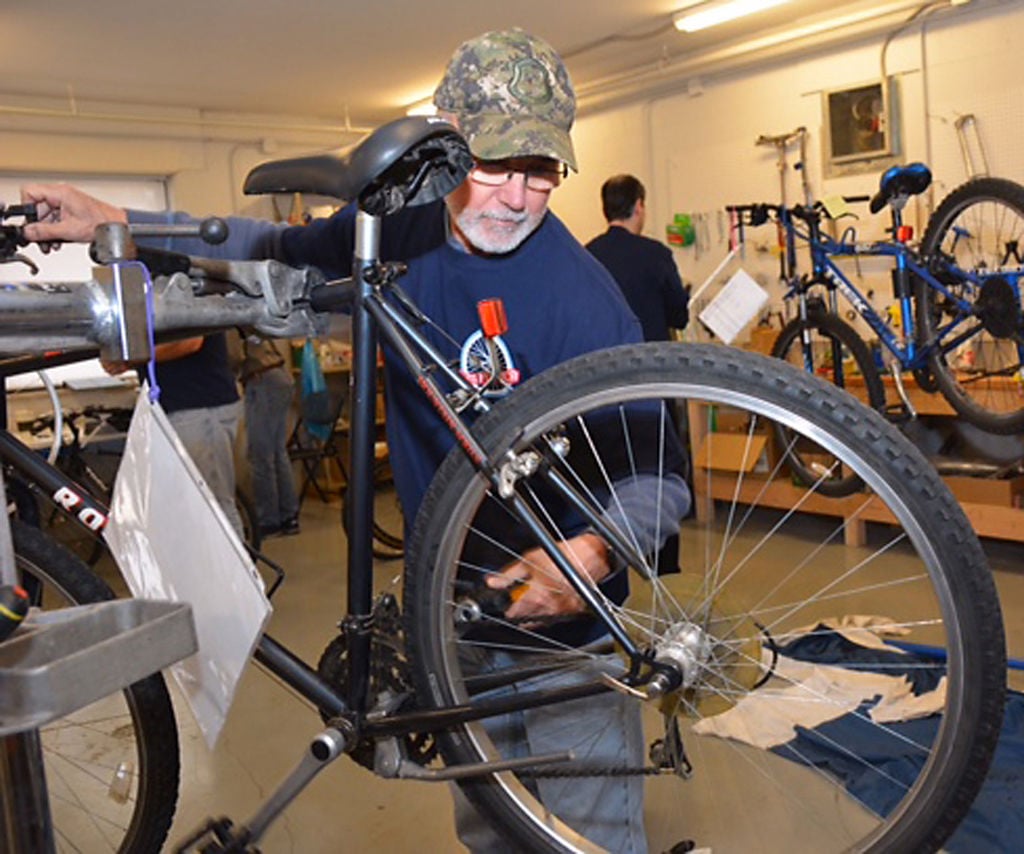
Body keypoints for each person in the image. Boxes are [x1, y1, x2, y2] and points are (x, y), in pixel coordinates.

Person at [22, 28, 689, 852]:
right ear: (446, 144)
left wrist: (592, 550)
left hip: (571, 652)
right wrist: (118, 217)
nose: (515, 198)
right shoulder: (395, 231)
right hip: (455, 629)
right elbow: (261, 246)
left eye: (540, 172)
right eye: (493, 166)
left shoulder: (587, 301)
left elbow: (662, 472)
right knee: (489, 836)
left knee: (589, 840)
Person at [105, 334, 245, 536]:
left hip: (199, 407)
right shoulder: (154, 304)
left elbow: (189, 342)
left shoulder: (190, 301)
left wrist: (129, 359)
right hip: (177, 409)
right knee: (190, 508)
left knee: (214, 507)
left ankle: (232, 567)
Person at [586, 174, 690, 342]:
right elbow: (679, 318)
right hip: (650, 360)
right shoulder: (656, 254)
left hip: (605, 360)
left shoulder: (588, 255)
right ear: (638, 206)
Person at [233, 332, 300, 538]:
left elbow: (233, 357)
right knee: (277, 453)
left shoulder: (232, 321)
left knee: (261, 456)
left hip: (262, 380)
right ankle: (289, 517)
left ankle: (269, 521)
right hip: (278, 376)